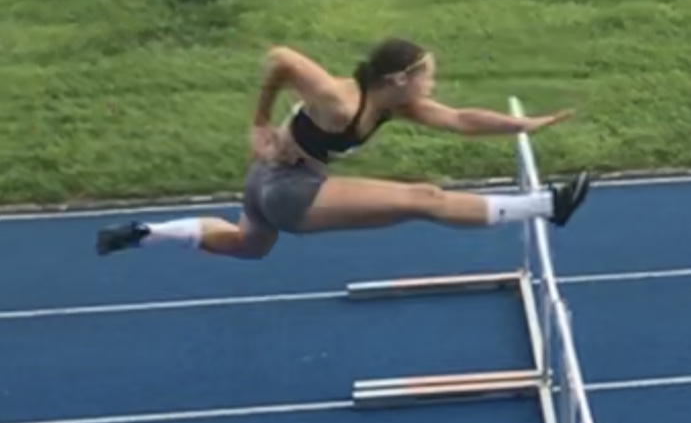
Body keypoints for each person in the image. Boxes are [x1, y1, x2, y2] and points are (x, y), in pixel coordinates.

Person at [96, 38, 590, 259]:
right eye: (427, 77)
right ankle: (548, 206)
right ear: (398, 78)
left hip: (262, 183)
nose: (433, 86)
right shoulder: (339, 100)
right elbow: (282, 58)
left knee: (247, 246)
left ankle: (149, 234)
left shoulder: (395, 105)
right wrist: (259, 122)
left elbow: (460, 120)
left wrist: (524, 125)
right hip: (289, 190)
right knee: (423, 198)